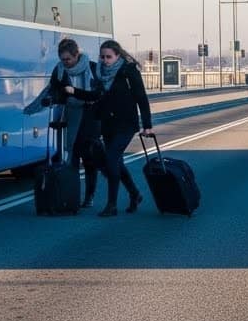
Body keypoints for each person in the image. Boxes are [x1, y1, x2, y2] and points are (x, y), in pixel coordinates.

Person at [63, 39, 153, 217]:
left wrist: (148, 126)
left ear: (118, 56)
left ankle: (111, 205)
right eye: (102, 57)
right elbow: (96, 95)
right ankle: (135, 194)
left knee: (111, 160)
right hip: (107, 123)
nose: (105, 60)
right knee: (116, 162)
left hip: (126, 123)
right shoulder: (100, 73)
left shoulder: (128, 71)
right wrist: (75, 91)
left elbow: (141, 98)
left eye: (109, 57)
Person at [23, 38, 102, 208]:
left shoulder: (93, 68)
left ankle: (89, 196)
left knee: (89, 158)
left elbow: (99, 93)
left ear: (76, 56)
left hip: (90, 118)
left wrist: (77, 93)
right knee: (72, 156)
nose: (65, 62)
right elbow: (56, 90)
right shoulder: (59, 71)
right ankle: (71, 195)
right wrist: (50, 100)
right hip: (71, 116)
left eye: (68, 59)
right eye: (62, 59)